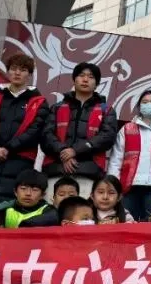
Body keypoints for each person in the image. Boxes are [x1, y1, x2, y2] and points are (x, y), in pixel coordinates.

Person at [0, 53, 47, 207]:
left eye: (23, 70)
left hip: (20, 161)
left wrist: (8, 149)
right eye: (13, 69)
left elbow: (35, 130)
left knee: (9, 207)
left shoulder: (39, 102)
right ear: (8, 71)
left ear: (29, 74)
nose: (17, 73)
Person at [42, 62, 119, 198]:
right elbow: (46, 136)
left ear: (96, 84)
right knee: (52, 211)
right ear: (74, 80)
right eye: (81, 75)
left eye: (91, 77)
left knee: (83, 211)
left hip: (88, 174)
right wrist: (63, 152)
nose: (85, 79)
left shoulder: (106, 110)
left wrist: (75, 151)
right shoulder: (57, 107)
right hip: (55, 171)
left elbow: (107, 137)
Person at [106, 90, 151, 222]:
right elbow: (116, 160)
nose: (148, 105)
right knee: (126, 222)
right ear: (139, 106)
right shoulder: (127, 129)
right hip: (128, 187)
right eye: (145, 102)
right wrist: (114, 185)